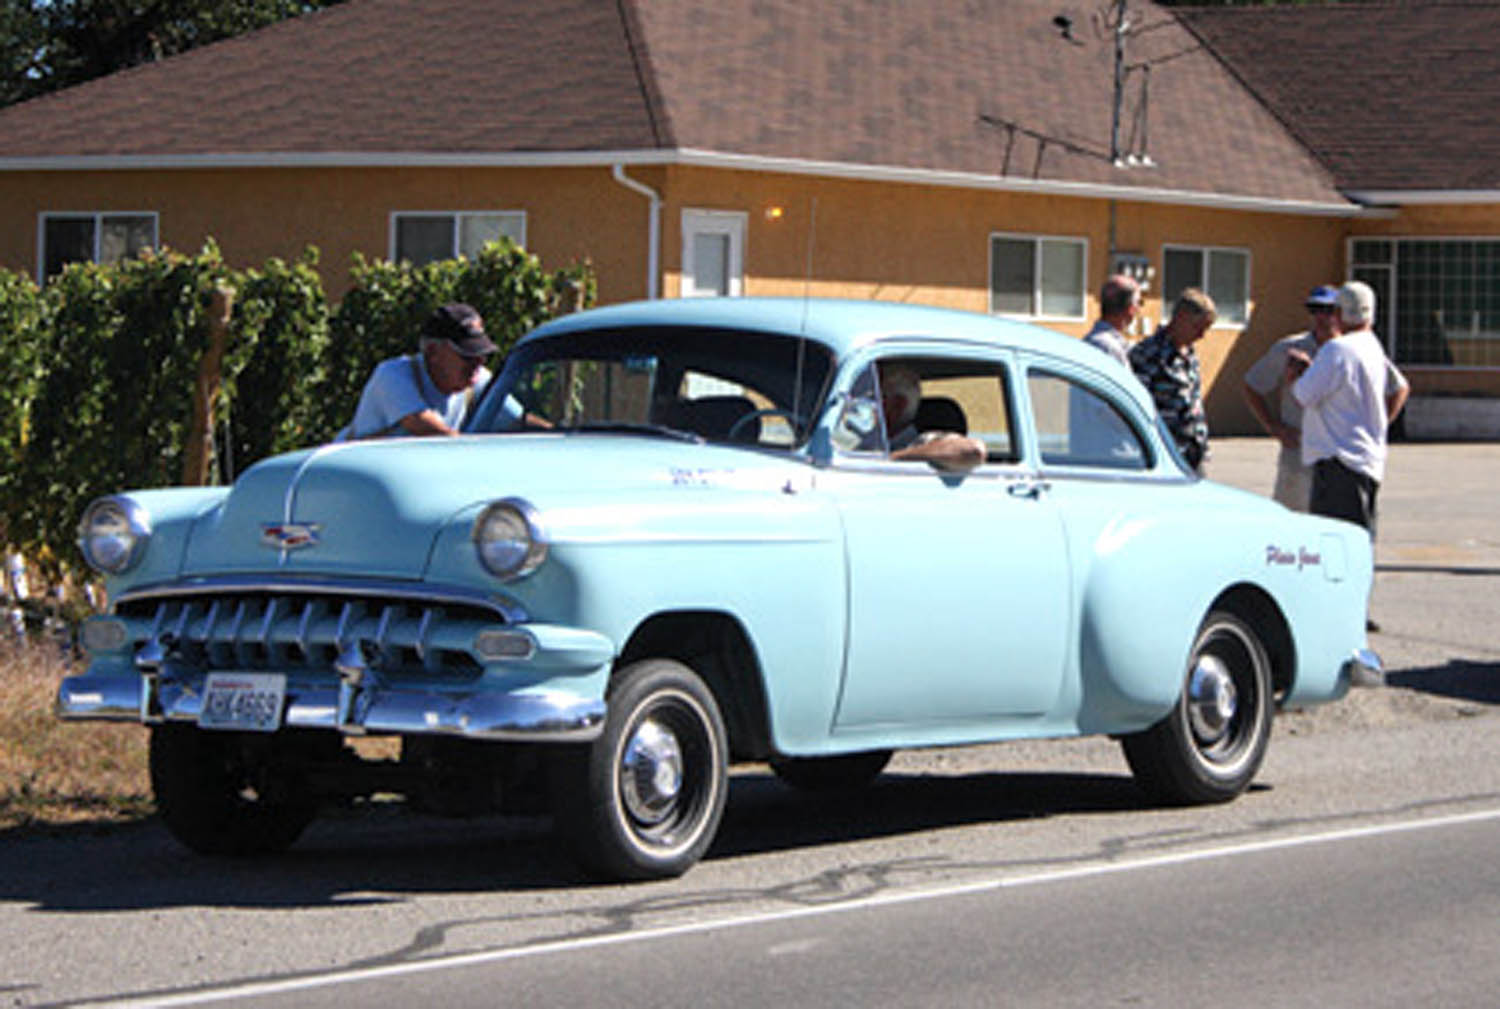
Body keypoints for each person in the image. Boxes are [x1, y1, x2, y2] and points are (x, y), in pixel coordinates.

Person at [1288, 280, 1409, 635]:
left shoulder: (1337, 351)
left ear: (1341, 313)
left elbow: (1303, 395)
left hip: (1338, 460)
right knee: (1360, 540)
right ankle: (1356, 610)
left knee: (1336, 545)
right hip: (1366, 459)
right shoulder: (1372, 347)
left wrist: (1298, 373)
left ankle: (1339, 618)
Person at [1245, 285, 1409, 511]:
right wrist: (1274, 426)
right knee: (1295, 521)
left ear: (1341, 313)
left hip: (1338, 457)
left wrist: (1378, 424)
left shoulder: (1347, 350)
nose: (1322, 317)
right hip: (1300, 453)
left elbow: (1399, 388)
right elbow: (1253, 385)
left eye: (1329, 310)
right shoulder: (1291, 348)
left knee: (1335, 525)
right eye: (1314, 310)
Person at [338, 303, 497, 440]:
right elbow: (423, 426)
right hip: (352, 470)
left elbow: (513, 419)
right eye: (467, 355)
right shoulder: (393, 375)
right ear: (433, 352)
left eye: (481, 354)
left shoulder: (479, 380)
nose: (479, 362)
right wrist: (472, 449)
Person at [1129, 288, 1216, 472]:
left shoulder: (1190, 355)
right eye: (1198, 327)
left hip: (1193, 454)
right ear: (1181, 317)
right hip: (1165, 455)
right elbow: (1138, 407)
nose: (1202, 335)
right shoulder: (1148, 354)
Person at [878, 362, 986, 470]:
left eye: (873, 398)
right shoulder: (874, 440)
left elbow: (974, 451)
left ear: (897, 405)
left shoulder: (920, 442)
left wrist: (893, 458)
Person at [1083, 273, 1142, 366]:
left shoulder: (1089, 340)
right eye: (1139, 303)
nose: (1138, 309)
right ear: (1130, 309)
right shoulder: (1110, 348)